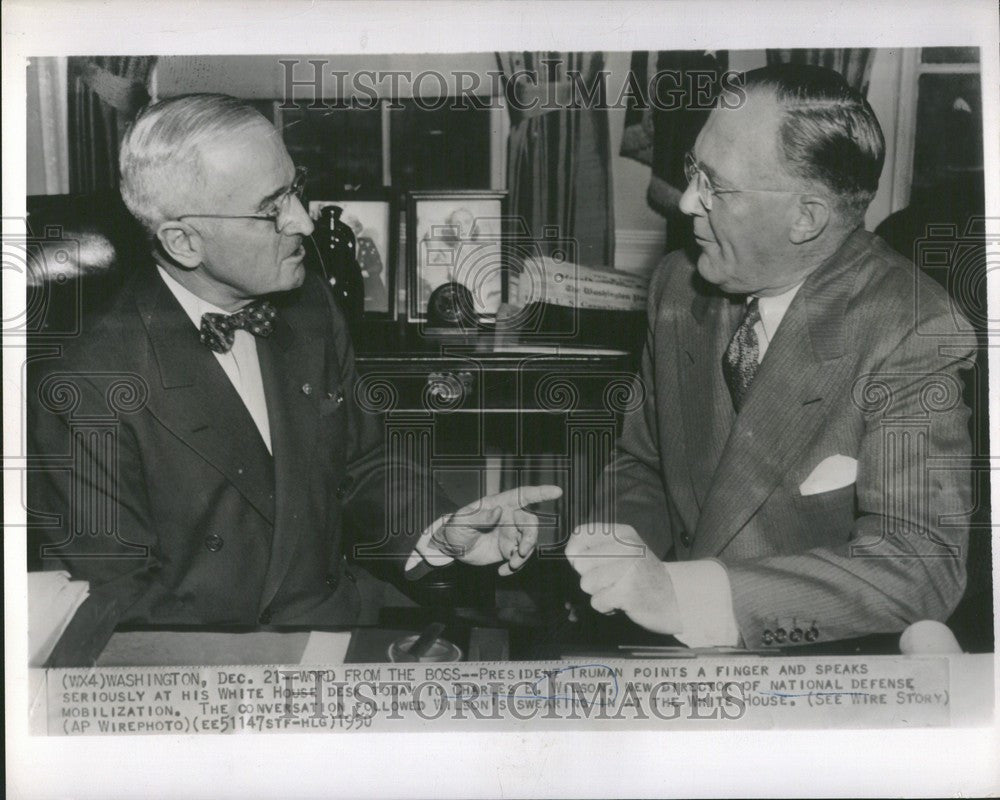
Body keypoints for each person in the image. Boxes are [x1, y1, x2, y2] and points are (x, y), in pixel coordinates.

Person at [28, 94, 559, 666]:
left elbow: (361, 464)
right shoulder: (86, 383)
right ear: (183, 242)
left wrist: (436, 533)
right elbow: (120, 608)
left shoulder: (307, 305)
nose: (303, 219)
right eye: (271, 207)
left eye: (294, 188)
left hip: (338, 633)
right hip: (209, 675)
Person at [566, 65, 975, 649]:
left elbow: (920, 565)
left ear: (805, 217)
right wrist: (612, 548)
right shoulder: (679, 285)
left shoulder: (911, 328)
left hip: (813, 669)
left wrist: (682, 596)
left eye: (715, 185)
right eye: (691, 171)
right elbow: (645, 464)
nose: (685, 203)